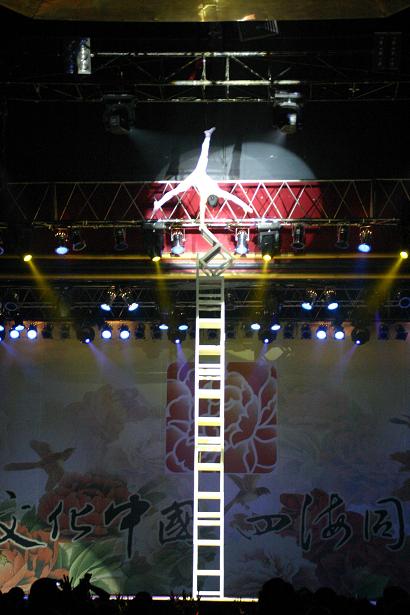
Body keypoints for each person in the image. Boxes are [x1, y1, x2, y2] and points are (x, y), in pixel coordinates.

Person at [153, 127, 253, 224]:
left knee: (203, 156)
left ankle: (208, 135)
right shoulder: (216, 193)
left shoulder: (214, 193)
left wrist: (245, 206)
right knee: (203, 156)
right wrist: (245, 206)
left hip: (197, 175)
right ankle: (208, 135)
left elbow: (230, 198)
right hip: (198, 175)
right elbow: (231, 197)